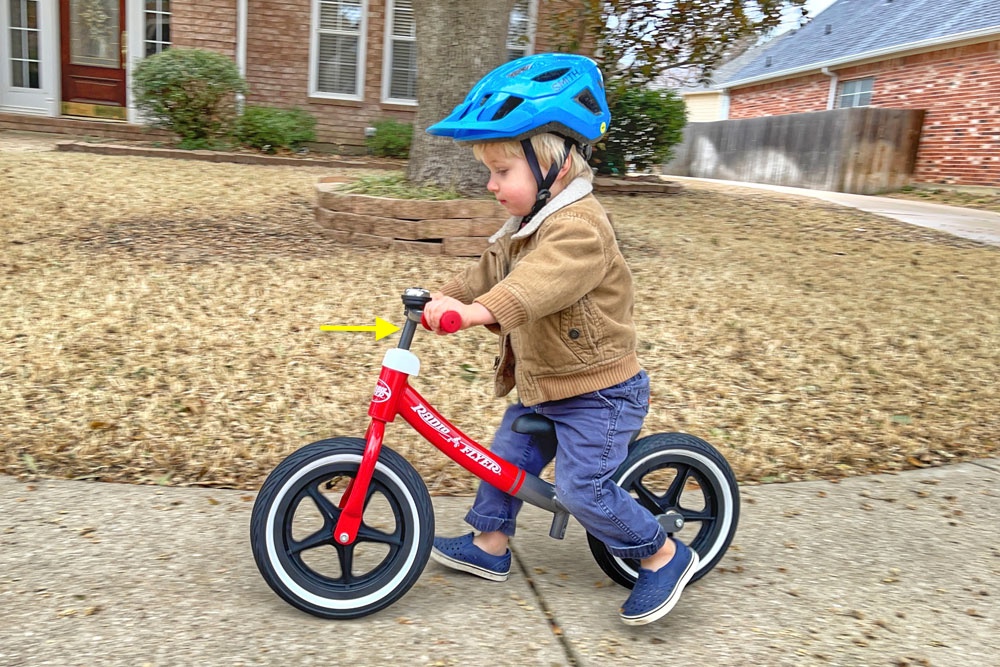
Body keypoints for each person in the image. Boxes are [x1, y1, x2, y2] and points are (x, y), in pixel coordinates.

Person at [420, 53, 698, 626]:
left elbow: (534, 285)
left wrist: (476, 313)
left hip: (600, 394)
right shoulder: (524, 226)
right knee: (503, 460)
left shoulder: (579, 228)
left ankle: (664, 554)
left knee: (582, 490)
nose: (491, 184)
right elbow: (488, 271)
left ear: (555, 168)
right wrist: (439, 296)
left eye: (502, 171)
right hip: (545, 385)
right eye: (490, 172)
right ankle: (489, 546)